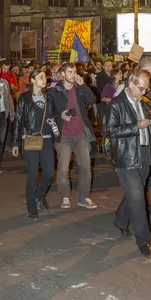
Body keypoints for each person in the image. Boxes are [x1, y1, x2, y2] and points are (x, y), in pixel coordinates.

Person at [106, 69, 151, 256]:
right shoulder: (116, 104)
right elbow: (111, 131)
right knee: (138, 196)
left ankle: (121, 221)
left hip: (145, 153)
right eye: (141, 88)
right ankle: (143, 241)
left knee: (135, 193)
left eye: (146, 88)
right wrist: (135, 126)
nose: (144, 92)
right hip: (126, 157)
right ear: (130, 84)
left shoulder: (146, 102)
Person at [49, 62, 97, 210]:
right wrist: (59, 117)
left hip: (80, 133)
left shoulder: (79, 89)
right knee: (63, 169)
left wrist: (83, 85)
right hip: (64, 136)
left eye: (75, 71)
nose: (74, 74)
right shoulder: (54, 91)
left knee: (85, 167)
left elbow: (92, 100)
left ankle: (83, 197)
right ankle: (64, 196)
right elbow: (49, 113)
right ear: (62, 74)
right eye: (70, 72)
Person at [12, 69, 59, 219]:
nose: (44, 80)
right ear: (32, 80)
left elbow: (51, 118)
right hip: (31, 138)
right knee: (32, 175)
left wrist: (56, 132)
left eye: (44, 77)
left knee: (49, 174)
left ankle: (39, 195)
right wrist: (15, 142)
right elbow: (18, 121)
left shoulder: (49, 99)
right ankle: (31, 206)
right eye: (40, 77)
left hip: (46, 139)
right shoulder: (24, 98)